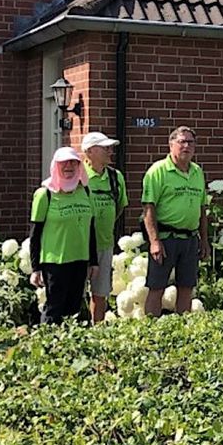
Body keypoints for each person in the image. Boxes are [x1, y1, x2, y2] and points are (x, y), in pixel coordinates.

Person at [141, 126, 209, 316]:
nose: (186, 146)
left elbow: (202, 209)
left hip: (189, 239)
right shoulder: (158, 171)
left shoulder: (197, 172)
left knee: (186, 288)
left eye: (190, 142)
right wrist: (154, 241)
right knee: (157, 287)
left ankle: (182, 331)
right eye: (182, 142)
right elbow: (148, 207)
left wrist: (204, 240)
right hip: (165, 238)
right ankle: (150, 332)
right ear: (171, 145)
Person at [29, 147, 98, 323]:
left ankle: (70, 346)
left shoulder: (85, 191)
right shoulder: (45, 194)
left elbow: (91, 228)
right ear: (55, 166)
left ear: (79, 166)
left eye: (73, 162)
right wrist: (35, 268)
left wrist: (94, 262)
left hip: (80, 259)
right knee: (54, 308)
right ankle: (47, 345)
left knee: (74, 308)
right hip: (55, 262)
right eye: (63, 163)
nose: (69, 166)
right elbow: (35, 234)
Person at [82, 131, 127, 324]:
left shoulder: (116, 178)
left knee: (100, 294)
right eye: (105, 148)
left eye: (110, 148)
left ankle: (96, 331)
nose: (110, 152)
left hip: (105, 244)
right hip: (80, 247)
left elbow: (119, 207)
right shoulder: (78, 176)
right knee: (77, 293)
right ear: (90, 151)